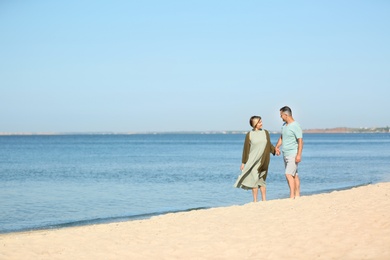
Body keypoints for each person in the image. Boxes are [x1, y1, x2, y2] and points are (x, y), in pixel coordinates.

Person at [234, 116, 276, 202]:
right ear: (255, 124)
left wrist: (275, 150)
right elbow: (246, 149)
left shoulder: (265, 132)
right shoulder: (249, 134)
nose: (262, 123)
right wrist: (243, 162)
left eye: (261, 121)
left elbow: (269, 145)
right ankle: (255, 201)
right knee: (254, 180)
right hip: (252, 161)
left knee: (261, 180)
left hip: (263, 160)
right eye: (259, 122)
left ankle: (264, 200)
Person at [275, 106, 303, 199]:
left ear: (286, 115)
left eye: (281, 115)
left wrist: (298, 155)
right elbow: (282, 137)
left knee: (288, 174)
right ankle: (297, 195)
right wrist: (277, 147)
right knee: (294, 174)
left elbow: (300, 141)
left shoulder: (295, 126)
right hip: (285, 153)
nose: (280, 117)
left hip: (293, 154)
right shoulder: (284, 126)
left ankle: (292, 196)